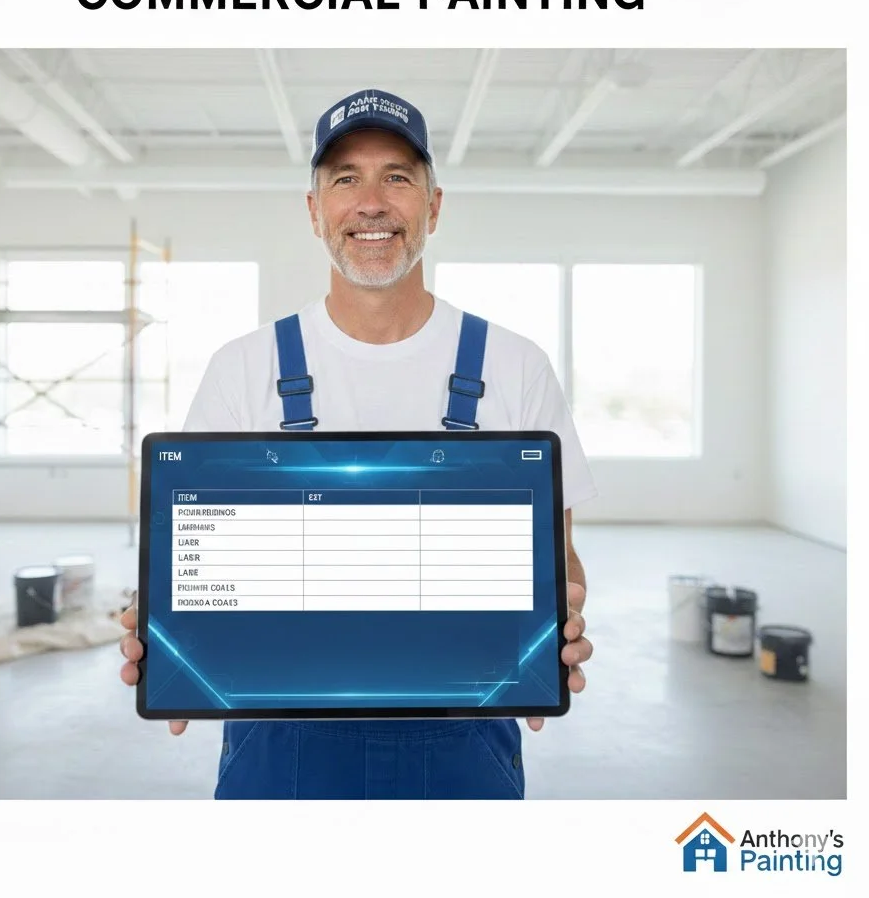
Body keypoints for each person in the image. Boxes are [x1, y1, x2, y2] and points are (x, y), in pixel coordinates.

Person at [119, 88, 597, 799]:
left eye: (397, 177)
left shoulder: (515, 364)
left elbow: (560, 558)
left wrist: (559, 611)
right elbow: (197, 552)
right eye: (345, 178)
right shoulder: (244, 368)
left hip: (465, 737)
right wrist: (166, 619)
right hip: (277, 743)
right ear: (315, 212)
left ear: (433, 206)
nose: (371, 202)